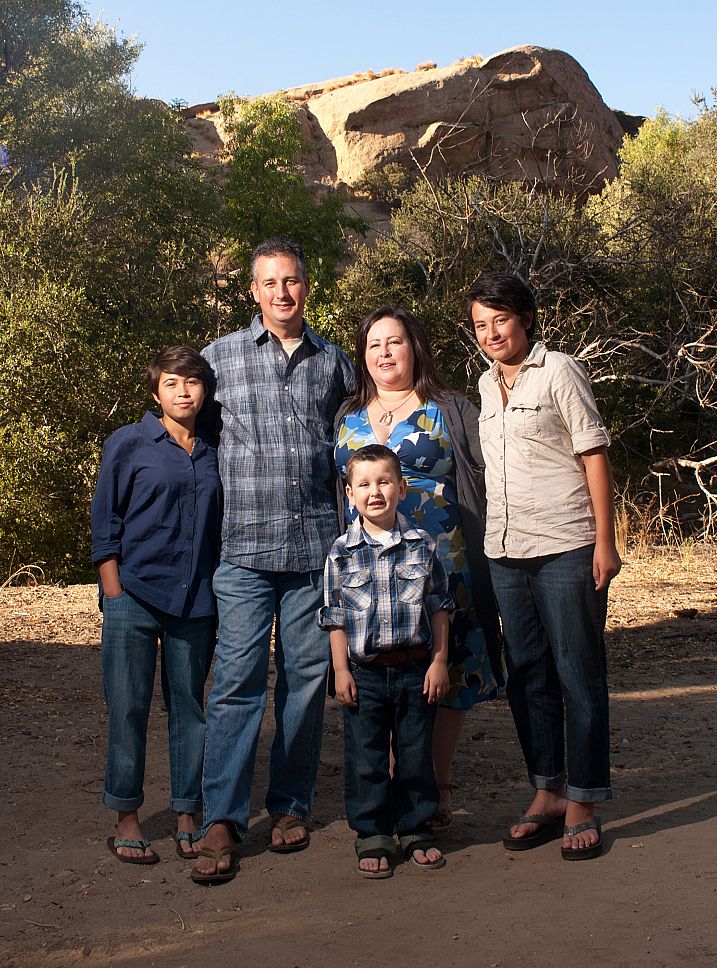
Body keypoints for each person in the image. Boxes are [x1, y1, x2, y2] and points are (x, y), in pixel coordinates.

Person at [192, 237, 355, 884]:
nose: (281, 293)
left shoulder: (334, 361)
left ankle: (290, 805)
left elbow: (353, 440)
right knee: (234, 685)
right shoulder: (219, 358)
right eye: (269, 283)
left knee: (305, 684)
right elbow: (193, 435)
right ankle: (221, 821)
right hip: (242, 552)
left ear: (306, 287)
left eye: (291, 281)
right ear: (253, 292)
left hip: (314, 549)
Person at [468, 272, 622, 861]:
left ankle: (584, 799)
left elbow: (593, 452)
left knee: (577, 671)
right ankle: (547, 790)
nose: (491, 333)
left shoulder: (559, 371)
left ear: (524, 319)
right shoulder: (484, 385)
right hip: (505, 552)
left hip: (566, 544)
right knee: (527, 671)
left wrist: (604, 542)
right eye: (480, 325)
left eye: (500, 320)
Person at [333, 307, 503, 834]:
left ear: (415, 347)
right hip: (368, 563)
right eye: (374, 344)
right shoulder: (347, 413)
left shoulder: (449, 407)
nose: (385, 353)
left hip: (442, 557)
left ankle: (438, 780)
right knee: (382, 670)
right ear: (363, 355)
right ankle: (390, 785)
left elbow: (495, 466)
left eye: (396, 342)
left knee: (447, 668)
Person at [91, 346, 221, 864]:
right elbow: (106, 522)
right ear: (155, 392)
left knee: (189, 708)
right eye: (172, 383)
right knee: (128, 707)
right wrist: (114, 592)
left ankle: (187, 811)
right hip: (135, 597)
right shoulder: (128, 443)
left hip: (196, 599)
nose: (183, 392)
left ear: (204, 390)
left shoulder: (216, 447)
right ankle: (126, 814)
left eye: (191, 382)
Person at [319, 444, 453, 877]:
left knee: (415, 754)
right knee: (366, 757)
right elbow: (334, 617)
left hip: (416, 669)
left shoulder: (422, 545)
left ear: (401, 486)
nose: (374, 492)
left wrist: (439, 661)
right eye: (364, 484)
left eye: (383, 482)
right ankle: (372, 832)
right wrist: (340, 670)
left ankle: (415, 826)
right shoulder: (340, 552)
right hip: (364, 673)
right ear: (349, 493)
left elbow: (439, 606)